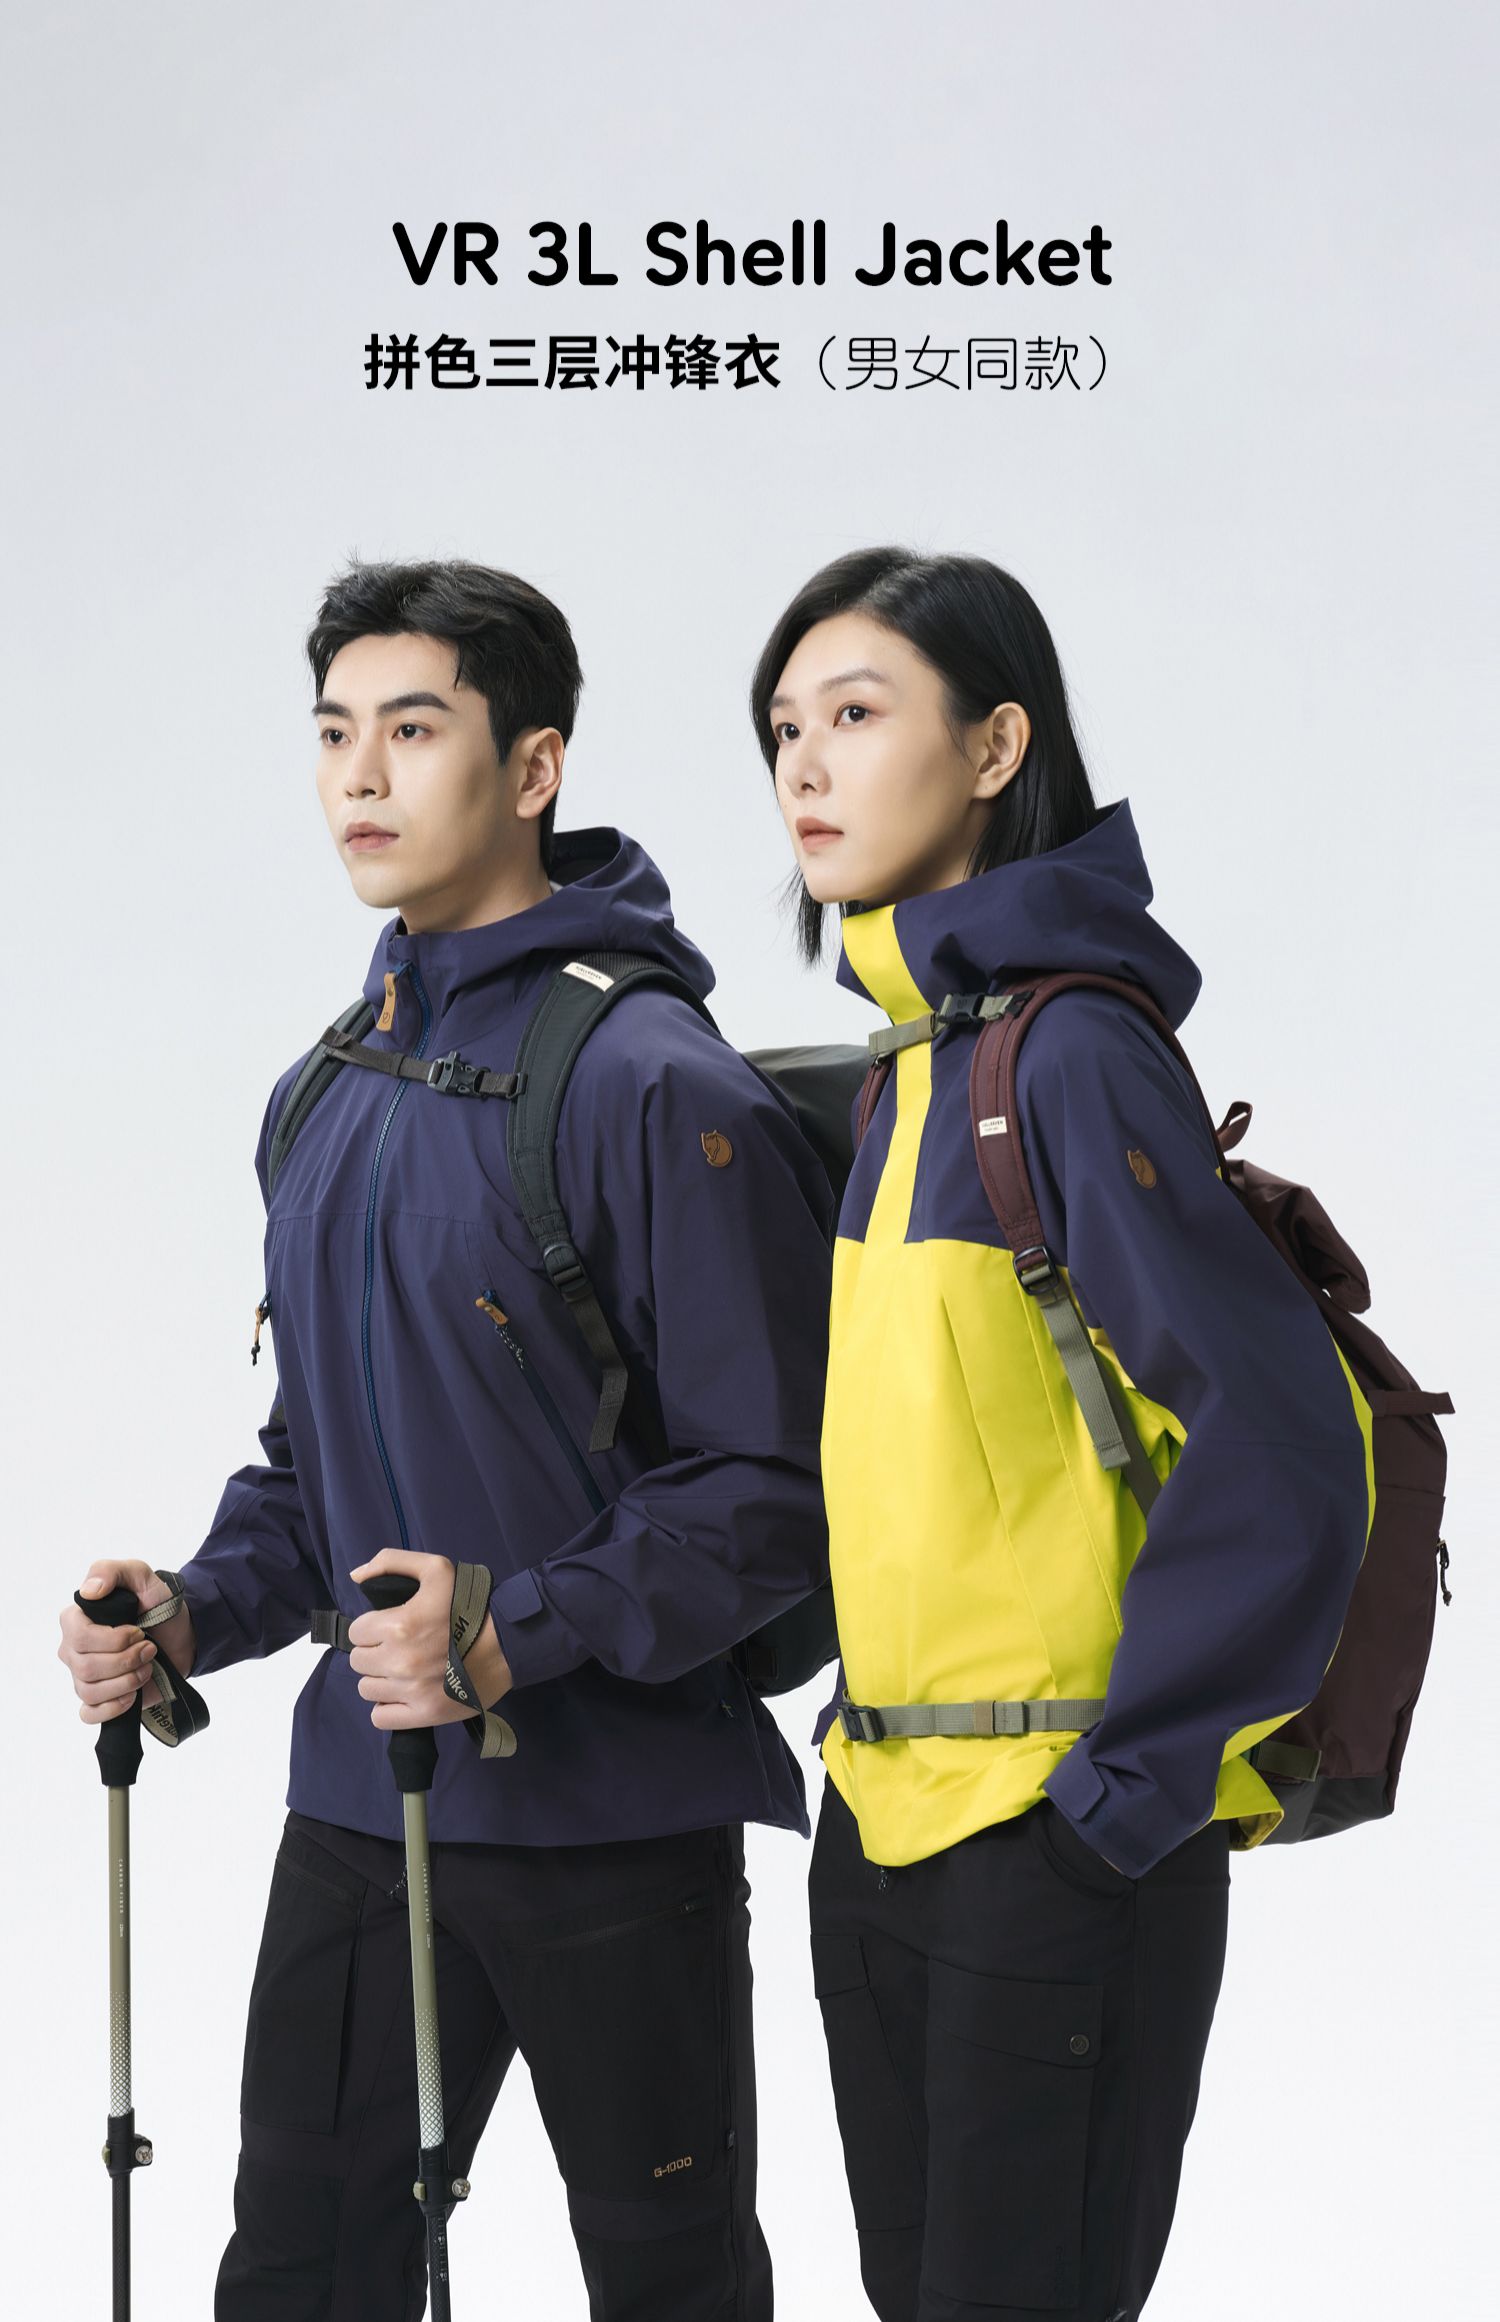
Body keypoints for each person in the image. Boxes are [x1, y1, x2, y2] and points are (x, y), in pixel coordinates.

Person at [58, 557, 835, 2322]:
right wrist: (190, 1608)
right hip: (360, 1812)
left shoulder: (656, 1083)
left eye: (412, 730)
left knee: (671, 2290)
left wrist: (506, 1629)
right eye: (335, 731)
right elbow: (315, 1467)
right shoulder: (327, 1087)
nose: (360, 774)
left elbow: (775, 1493)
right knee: (299, 2279)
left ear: (534, 766)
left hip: (614, 1827)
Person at [752, 547, 1375, 2322]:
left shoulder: (1072, 1059)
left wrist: (1113, 1809)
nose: (805, 765)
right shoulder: (903, 1074)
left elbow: (1283, 1451)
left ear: (996, 744)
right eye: (783, 728)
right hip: (881, 1827)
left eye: (855, 713)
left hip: (1056, 1846)